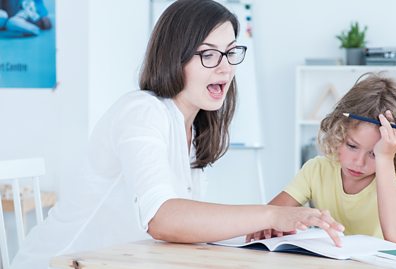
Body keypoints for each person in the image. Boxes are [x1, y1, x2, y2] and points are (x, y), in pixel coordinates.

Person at [11, 0, 344, 268]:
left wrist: (252, 229)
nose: (226, 67)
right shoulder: (142, 112)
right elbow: (163, 219)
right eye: (208, 54)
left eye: (230, 52)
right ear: (174, 57)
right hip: (57, 264)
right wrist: (270, 213)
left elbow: (182, 225)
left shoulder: (191, 127)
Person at [247, 73, 396, 244]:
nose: (359, 162)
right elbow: (268, 216)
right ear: (338, 133)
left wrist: (385, 159)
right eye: (352, 146)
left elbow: (395, 236)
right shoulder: (317, 170)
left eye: (374, 154)